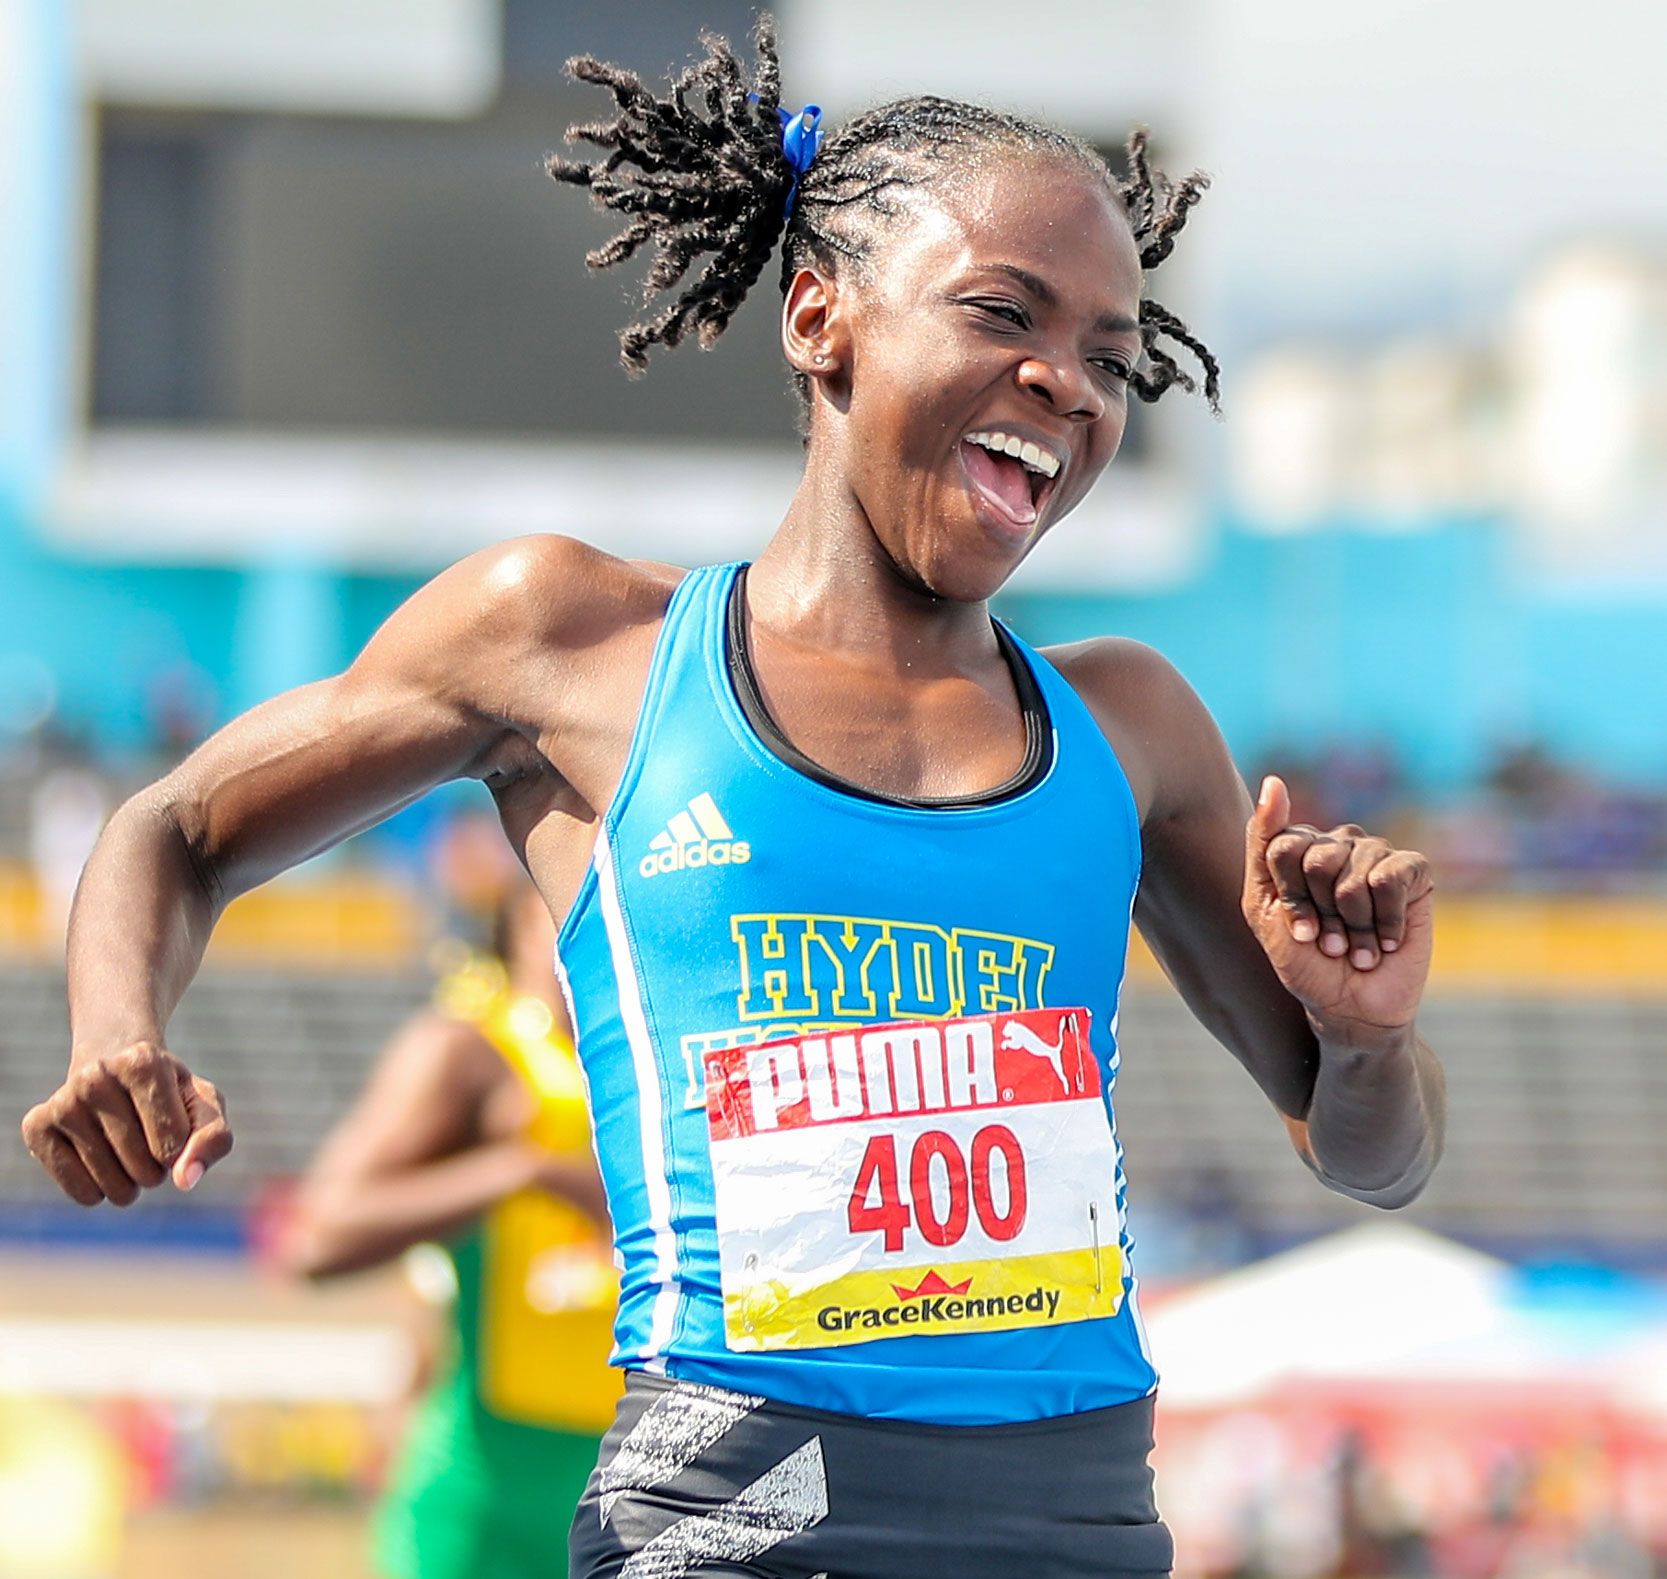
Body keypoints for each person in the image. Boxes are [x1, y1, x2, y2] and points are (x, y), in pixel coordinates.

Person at [21, 17, 1445, 1576]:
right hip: (741, 1505)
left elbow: (1371, 1153)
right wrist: (118, 1034)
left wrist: (1364, 1035)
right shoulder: (574, 645)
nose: (1068, 382)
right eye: (1001, 312)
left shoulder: (1132, 726)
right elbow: (175, 826)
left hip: (1073, 1516)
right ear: (820, 316)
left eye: (1110, 356)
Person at [276, 883, 618, 1579]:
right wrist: (524, 1168)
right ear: (521, 918)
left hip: (632, 1493)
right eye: (570, 899)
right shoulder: (474, 1056)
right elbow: (314, 1236)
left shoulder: (668, 1060)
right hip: (480, 1503)